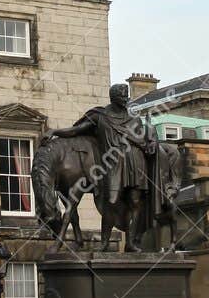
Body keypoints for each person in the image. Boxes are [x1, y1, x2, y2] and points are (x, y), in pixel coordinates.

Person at [42, 83, 157, 250]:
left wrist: (151, 145)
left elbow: (145, 140)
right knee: (110, 201)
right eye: (123, 96)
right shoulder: (100, 116)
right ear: (114, 98)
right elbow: (76, 130)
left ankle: (131, 243)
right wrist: (54, 132)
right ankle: (104, 243)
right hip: (113, 163)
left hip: (134, 160)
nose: (126, 99)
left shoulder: (135, 119)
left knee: (135, 201)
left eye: (127, 96)